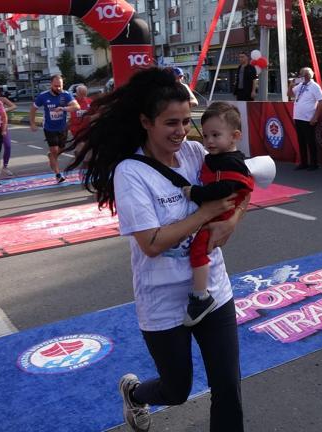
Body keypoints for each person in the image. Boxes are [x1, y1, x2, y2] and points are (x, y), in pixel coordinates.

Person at [65, 68, 246, 432]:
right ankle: (135, 394)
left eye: (185, 121)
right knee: (177, 389)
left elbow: (239, 184)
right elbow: (151, 244)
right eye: (170, 123)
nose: (181, 131)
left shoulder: (198, 152)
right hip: (163, 301)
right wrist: (208, 213)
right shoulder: (130, 173)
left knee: (228, 386)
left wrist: (234, 218)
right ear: (146, 122)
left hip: (212, 291)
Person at [181, 102, 253, 327]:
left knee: (199, 250)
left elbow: (223, 189)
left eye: (215, 135)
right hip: (219, 211)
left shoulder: (231, 162)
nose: (209, 141)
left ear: (235, 136)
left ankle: (201, 295)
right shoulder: (219, 157)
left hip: (220, 214)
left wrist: (196, 193)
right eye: (206, 135)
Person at [29, 75, 80, 183]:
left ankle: (51, 156)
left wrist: (63, 108)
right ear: (51, 85)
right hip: (49, 127)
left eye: (60, 86)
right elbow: (33, 109)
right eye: (56, 86)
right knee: (55, 150)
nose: (58, 88)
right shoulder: (43, 96)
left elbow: (76, 107)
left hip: (62, 127)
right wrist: (32, 123)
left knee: (60, 150)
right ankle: (58, 175)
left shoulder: (66, 95)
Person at [288, 67, 322, 171]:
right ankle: (304, 163)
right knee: (301, 141)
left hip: (309, 118)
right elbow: (290, 95)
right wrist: (291, 86)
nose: (300, 76)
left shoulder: (315, 86)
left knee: (310, 141)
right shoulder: (300, 85)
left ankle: (314, 164)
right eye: (300, 74)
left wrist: (315, 117)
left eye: (303, 74)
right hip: (298, 117)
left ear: (309, 75)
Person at [0, 91, 17, 176]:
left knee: (8, 146)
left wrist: (5, 109)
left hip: (3, 125)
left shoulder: (2, 99)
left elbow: (14, 106)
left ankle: (5, 166)